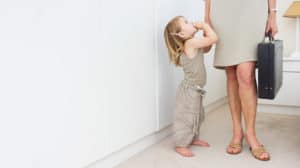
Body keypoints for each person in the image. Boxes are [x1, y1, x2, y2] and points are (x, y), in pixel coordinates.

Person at [204, 0, 278, 161]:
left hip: (252, 8)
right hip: (222, 9)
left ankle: (250, 133)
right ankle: (237, 132)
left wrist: (272, 13)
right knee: (231, 73)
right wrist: (207, 18)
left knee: (245, 73)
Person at [164, 16, 218, 157]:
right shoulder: (190, 44)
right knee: (186, 117)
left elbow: (207, 48)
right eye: (186, 22)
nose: (191, 22)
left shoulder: (192, 43)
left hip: (196, 89)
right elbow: (214, 39)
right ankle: (181, 144)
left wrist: (204, 32)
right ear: (182, 34)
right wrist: (205, 26)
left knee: (197, 116)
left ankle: (192, 138)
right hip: (189, 90)